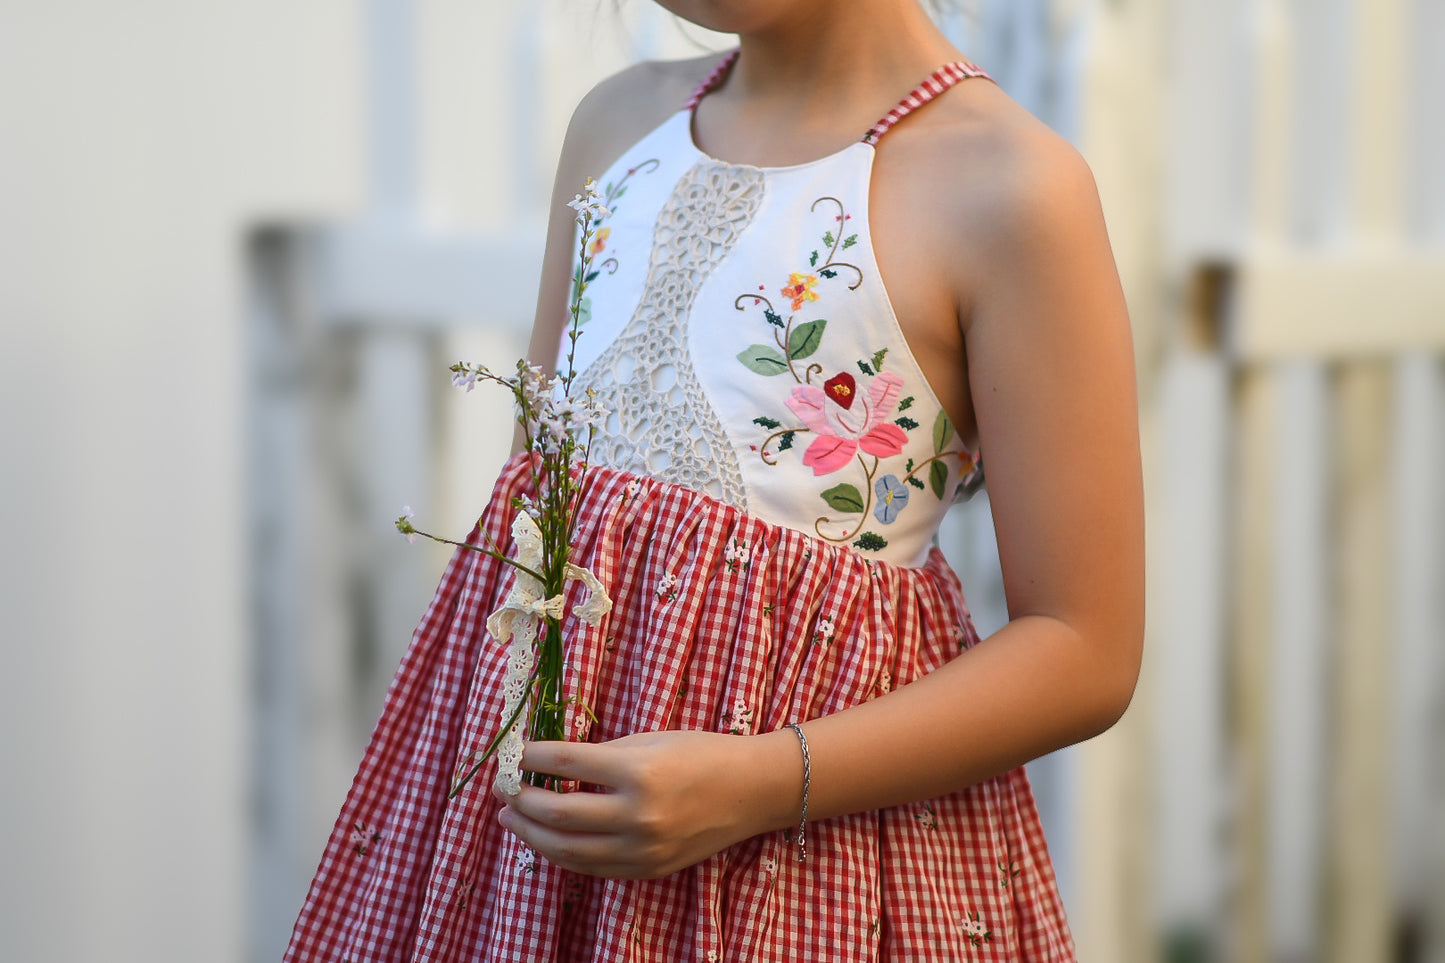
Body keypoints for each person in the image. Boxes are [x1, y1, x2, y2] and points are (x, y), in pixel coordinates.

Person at [286, 1, 1143, 959]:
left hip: (808, 865)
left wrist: (759, 783)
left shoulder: (1007, 186)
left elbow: (1082, 648)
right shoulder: (617, 127)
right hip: (529, 856)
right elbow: (542, 490)